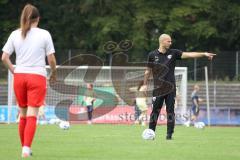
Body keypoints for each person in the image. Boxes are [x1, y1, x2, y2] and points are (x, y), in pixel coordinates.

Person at [1, 4, 57, 157]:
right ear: (38, 19)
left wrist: (14, 71)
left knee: (23, 113)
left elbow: (4, 57)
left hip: (20, 77)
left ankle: (25, 147)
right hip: (37, 77)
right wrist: (53, 72)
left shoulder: (14, 34)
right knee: (33, 113)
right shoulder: (44, 34)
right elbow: (51, 59)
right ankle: (26, 148)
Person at [143, 33, 215, 140]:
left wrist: (204, 54)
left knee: (170, 111)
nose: (171, 43)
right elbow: (147, 71)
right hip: (158, 89)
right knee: (155, 112)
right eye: (169, 41)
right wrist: (144, 84)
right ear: (162, 41)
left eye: (171, 41)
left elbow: (189, 55)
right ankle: (150, 133)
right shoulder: (152, 55)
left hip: (171, 88)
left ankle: (169, 135)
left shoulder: (174, 53)